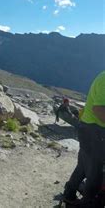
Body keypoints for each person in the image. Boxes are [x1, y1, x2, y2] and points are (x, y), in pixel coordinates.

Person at [63, 71, 105, 207]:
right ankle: (88, 204)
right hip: (95, 130)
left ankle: (69, 194)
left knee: (83, 165)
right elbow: (98, 109)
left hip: (88, 128)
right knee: (96, 172)